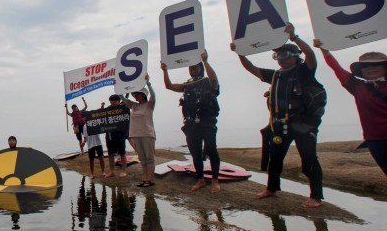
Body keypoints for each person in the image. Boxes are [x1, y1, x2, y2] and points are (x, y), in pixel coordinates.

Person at [314, 12, 387, 231]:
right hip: (377, 142)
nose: (370, 68)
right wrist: (323, 49)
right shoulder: (357, 86)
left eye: (376, 65)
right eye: (366, 66)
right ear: (360, 70)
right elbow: (336, 68)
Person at [232, 23, 326, 208]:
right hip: (280, 125)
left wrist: (294, 37)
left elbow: (311, 55)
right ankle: (271, 189)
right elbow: (251, 68)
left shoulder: (304, 71)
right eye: (277, 56)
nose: (280, 59)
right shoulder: (276, 75)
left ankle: (315, 197)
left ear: (295, 56)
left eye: (284, 55)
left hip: (304, 125)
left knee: (309, 160)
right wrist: (240, 53)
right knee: (275, 159)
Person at [161, 50, 221, 193]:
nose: (192, 70)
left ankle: (215, 180)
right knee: (195, 153)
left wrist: (205, 61)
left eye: (195, 67)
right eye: (190, 68)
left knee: (211, 150)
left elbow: (214, 80)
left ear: (200, 68)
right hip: (191, 125)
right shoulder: (187, 85)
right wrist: (165, 71)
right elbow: (169, 86)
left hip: (207, 123)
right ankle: (201, 179)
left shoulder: (207, 82)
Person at [125, 74, 156, 187]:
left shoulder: (149, 105)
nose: (135, 96)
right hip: (135, 134)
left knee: (149, 158)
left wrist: (148, 83)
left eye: (137, 94)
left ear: (143, 95)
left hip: (147, 134)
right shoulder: (134, 106)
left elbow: (153, 95)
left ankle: (150, 180)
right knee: (142, 159)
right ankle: (145, 178)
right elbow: (123, 99)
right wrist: (118, 88)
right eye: (134, 94)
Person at [105, 94, 129, 179]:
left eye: (114, 102)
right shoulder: (107, 109)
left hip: (120, 134)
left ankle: (124, 171)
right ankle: (112, 171)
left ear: (118, 101)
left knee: (122, 153)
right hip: (110, 134)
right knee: (110, 154)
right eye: (111, 102)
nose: (113, 104)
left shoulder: (124, 108)